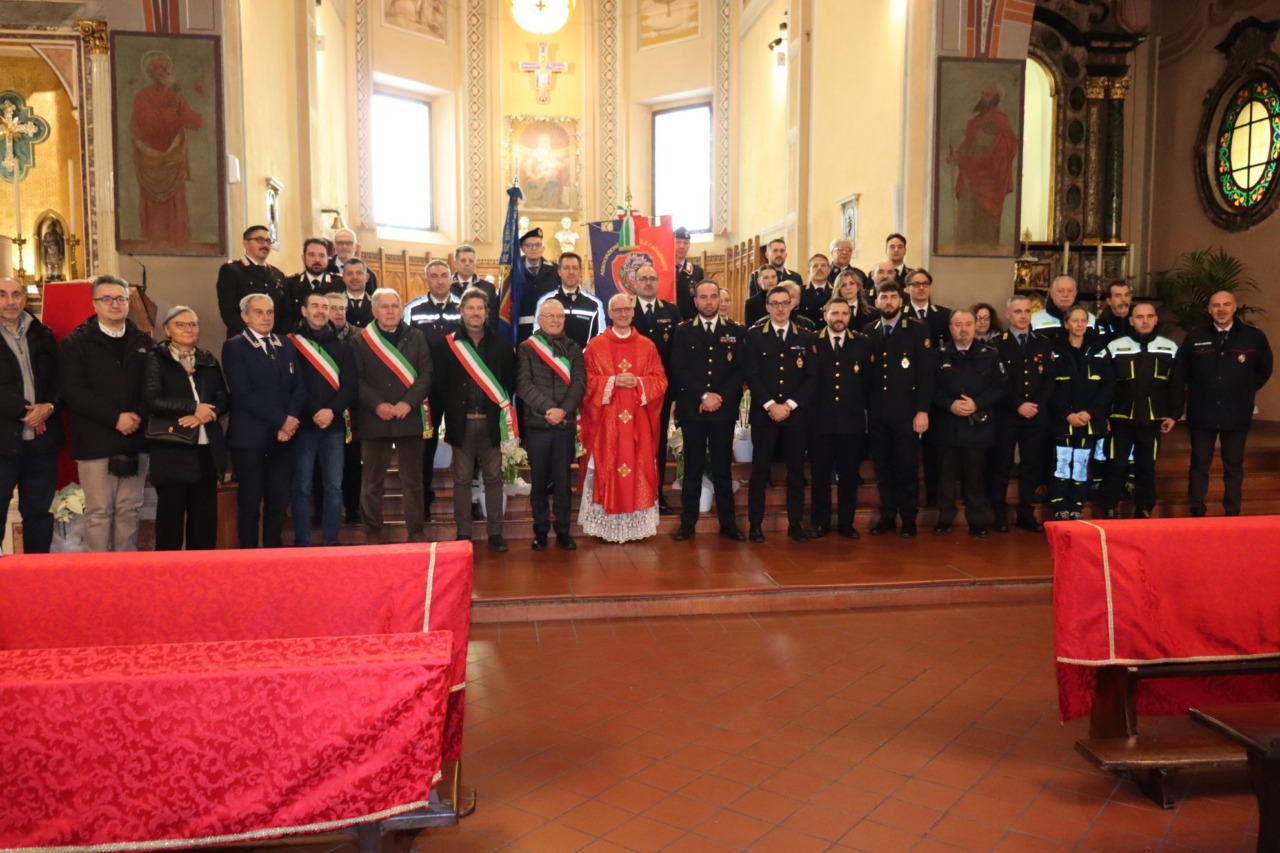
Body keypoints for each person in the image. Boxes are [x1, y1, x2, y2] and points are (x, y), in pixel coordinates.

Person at [59, 275, 152, 552]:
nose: (115, 304)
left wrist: (136, 416)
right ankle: (98, 572)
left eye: (120, 298)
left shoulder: (143, 341)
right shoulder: (77, 342)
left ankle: (125, 571)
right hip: (95, 440)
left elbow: (153, 387)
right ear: (94, 303)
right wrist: (115, 418)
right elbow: (74, 391)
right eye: (107, 299)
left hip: (134, 439)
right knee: (99, 512)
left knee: (129, 510)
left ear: (128, 302)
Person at [1175, 290, 1273, 517]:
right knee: (1199, 465)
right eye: (1216, 305)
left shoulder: (1253, 337)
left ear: (1234, 307)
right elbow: (1182, 372)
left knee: (1234, 467)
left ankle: (1232, 512)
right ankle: (1196, 510)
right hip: (1202, 412)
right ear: (1209, 309)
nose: (1221, 310)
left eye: (1226, 305)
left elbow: (1264, 370)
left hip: (1236, 412)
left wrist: (1244, 390)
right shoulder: (1195, 337)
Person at [579, 294, 668, 542]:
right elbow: (586, 383)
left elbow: (660, 381)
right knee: (607, 465)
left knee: (638, 467)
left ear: (632, 312)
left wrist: (639, 382)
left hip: (638, 422)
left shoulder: (647, 346)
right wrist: (612, 381)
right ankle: (607, 526)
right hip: (606, 424)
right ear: (609, 313)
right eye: (617, 310)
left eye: (626, 309)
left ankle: (634, 524)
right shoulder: (595, 346)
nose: (622, 314)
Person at [221, 293, 304, 548]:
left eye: (270, 312)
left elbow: (299, 387)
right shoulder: (234, 347)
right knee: (249, 504)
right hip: (250, 440)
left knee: (278, 503)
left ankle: (273, 554)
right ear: (245, 316)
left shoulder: (285, 343)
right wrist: (282, 421)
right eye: (258, 312)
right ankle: (248, 557)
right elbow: (243, 394)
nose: (266, 317)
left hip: (284, 439)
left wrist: (290, 421)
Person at [142, 306, 228, 550]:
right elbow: (152, 401)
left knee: (204, 524)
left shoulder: (207, 359)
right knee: (170, 524)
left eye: (193, 324)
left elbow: (223, 399)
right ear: (167, 330)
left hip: (206, 450)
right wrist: (192, 407)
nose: (188, 329)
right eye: (180, 324)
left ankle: (201, 571)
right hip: (172, 450)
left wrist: (204, 416)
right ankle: (169, 572)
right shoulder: (156, 359)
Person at [439, 288, 517, 551]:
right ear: (461, 312)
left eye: (480, 308)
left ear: (486, 312)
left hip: (491, 424)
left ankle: (495, 533)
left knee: (493, 478)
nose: (475, 313)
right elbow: (441, 385)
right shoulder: (448, 345)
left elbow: (509, 383)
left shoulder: (501, 345)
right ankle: (464, 532)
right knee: (461, 479)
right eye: (470, 308)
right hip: (461, 424)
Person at [352, 288, 432, 542]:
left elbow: (426, 375)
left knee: (413, 482)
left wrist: (408, 404)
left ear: (401, 309)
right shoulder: (360, 340)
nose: (390, 311)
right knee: (372, 482)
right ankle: (373, 532)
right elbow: (357, 379)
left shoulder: (416, 336)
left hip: (408, 417)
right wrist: (377, 405)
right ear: (374, 311)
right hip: (374, 419)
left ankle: (415, 532)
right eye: (384, 307)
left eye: (395, 306)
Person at [670, 280, 746, 542]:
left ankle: (729, 524)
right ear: (696, 301)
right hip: (694, 410)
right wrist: (704, 395)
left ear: (720, 300)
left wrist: (718, 397)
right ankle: (688, 524)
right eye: (704, 297)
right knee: (693, 468)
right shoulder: (683, 331)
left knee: (723, 468)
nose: (709, 301)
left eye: (714, 296)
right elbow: (679, 368)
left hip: (723, 410)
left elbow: (740, 370)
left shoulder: (735, 330)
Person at [744, 285, 817, 543]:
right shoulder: (754, 335)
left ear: (792, 304)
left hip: (795, 416)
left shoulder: (805, 336)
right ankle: (755, 524)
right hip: (764, 414)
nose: (780, 308)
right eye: (774, 303)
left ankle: (795, 524)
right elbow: (751, 374)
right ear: (767, 307)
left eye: (785, 303)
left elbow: (811, 377)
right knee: (760, 471)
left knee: (796, 470)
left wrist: (789, 405)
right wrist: (770, 405)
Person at [865, 281, 935, 537]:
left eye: (893, 297)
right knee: (883, 468)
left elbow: (926, 374)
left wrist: (922, 410)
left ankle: (908, 518)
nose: (888, 302)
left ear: (901, 301)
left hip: (907, 413)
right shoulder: (869, 331)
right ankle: (887, 515)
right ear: (876, 302)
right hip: (878, 413)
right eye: (884, 297)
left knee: (906, 467)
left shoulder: (917, 329)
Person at [0, 276, 64, 554]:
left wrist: (48, 407)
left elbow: (61, 381)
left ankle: (36, 575)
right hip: (3, 441)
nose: (10, 301)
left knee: (38, 515)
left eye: (16, 294)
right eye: (2, 295)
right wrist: (27, 412)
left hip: (41, 443)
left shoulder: (43, 334)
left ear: (25, 298)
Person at [1099, 300, 1178, 520]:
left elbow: (1176, 385)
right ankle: (1110, 506)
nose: (1145, 321)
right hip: (1120, 418)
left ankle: (1144, 508)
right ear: (1131, 320)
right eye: (1140, 317)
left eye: (1149, 316)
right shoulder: (1115, 346)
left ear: (1156, 319)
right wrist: (1102, 414)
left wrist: (1174, 414)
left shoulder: (1170, 347)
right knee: (1116, 465)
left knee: (1146, 467)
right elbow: (1104, 384)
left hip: (1152, 419)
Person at [517, 299, 586, 550]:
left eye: (560, 316)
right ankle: (541, 530)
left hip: (564, 425)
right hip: (538, 424)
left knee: (562, 481)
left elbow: (579, 384)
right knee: (538, 482)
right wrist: (550, 409)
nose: (556, 320)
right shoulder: (527, 348)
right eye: (550, 316)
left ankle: (564, 531)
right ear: (540, 319)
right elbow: (524, 385)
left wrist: (563, 410)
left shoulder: (574, 348)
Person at [289, 292, 357, 546]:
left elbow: (349, 386)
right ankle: (302, 541)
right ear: (304, 311)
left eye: (325, 307)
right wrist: (314, 411)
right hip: (303, 425)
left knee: (334, 487)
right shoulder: (291, 345)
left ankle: (331, 540)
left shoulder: (343, 347)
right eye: (315, 306)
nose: (320, 311)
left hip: (334, 425)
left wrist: (331, 411)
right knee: (302, 486)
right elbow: (294, 384)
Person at [932, 309, 1005, 537]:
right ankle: (945, 519)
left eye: (968, 324)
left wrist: (977, 403)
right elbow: (929, 389)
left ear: (975, 326)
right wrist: (949, 404)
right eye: (958, 325)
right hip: (947, 425)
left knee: (975, 478)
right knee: (945, 478)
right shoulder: (938, 355)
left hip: (977, 427)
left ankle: (977, 521)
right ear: (950, 328)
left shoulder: (990, 354)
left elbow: (1000, 387)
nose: (963, 330)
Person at [987, 295, 1053, 533]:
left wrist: (1035, 404)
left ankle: (1026, 512)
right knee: (1001, 465)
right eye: (1017, 311)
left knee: (1031, 465)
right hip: (1007, 414)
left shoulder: (1042, 342)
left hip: (1035, 415)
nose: (1023, 316)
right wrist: (1018, 405)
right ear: (1008, 314)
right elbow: (998, 381)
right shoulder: (997, 344)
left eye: (1026, 311)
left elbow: (1049, 379)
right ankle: (999, 514)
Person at [809, 297, 872, 538]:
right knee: (820, 476)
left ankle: (847, 523)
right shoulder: (812, 341)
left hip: (851, 421)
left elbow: (868, 382)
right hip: (819, 421)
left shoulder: (862, 343)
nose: (839, 318)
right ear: (825, 315)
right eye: (834, 313)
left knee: (848, 476)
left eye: (844, 314)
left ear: (850, 316)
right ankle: (820, 522)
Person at [129, 51, 202, 246]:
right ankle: (154, 242)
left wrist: (182, 112)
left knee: (175, 202)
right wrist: (172, 113)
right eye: (158, 68)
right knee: (153, 206)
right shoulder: (143, 97)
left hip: (173, 159)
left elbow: (194, 122)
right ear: (151, 73)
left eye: (165, 68)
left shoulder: (176, 96)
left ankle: (177, 242)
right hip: (150, 160)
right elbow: (146, 123)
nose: (163, 71)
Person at [1047, 305, 1113, 520]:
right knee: (1062, 463)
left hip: (1088, 421)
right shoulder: (1054, 350)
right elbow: (1050, 386)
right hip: (1062, 421)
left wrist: (1091, 413)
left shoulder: (1099, 350)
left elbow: (1108, 386)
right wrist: (1066, 414)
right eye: (1075, 321)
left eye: (1083, 320)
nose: (1079, 325)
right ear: (1066, 324)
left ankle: (1077, 505)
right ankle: (1059, 506)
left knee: (1081, 465)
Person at [406, 259, 460, 520]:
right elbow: (405, 349)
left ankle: (470, 499)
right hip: (426, 390)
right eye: (434, 276)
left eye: (444, 275)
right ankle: (423, 501)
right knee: (424, 446)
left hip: (458, 388)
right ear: (426, 280)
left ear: (451, 278)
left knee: (464, 443)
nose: (439, 280)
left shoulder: (464, 306)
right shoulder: (413, 309)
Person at [630, 262, 682, 513]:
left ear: (659, 282)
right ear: (634, 283)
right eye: (643, 279)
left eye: (652, 278)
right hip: (630, 391)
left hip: (661, 391)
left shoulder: (672, 311)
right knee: (630, 442)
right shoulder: (625, 309)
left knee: (657, 443)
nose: (648, 283)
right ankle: (631, 492)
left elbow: (678, 353)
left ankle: (657, 493)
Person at [945, 83, 1018, 245]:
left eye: (988, 93)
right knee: (968, 216)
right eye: (983, 93)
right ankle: (965, 249)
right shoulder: (976, 121)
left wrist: (986, 140)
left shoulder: (1000, 119)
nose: (983, 97)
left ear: (995, 98)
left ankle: (987, 249)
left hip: (990, 179)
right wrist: (956, 157)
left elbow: (1008, 145)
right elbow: (967, 144)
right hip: (970, 178)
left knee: (986, 219)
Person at [216, 225, 290, 337]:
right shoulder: (232, 270)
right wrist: (252, 336)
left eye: (268, 241)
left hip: (273, 340)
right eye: (260, 240)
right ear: (245, 243)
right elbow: (229, 312)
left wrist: (278, 337)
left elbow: (286, 312)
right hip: (243, 339)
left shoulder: (277, 275)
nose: (265, 245)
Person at [534, 251, 604, 349]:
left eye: (575, 268)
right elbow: (537, 336)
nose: (571, 272)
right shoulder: (545, 303)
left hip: (583, 358)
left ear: (580, 271)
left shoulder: (594, 305)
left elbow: (599, 339)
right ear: (559, 271)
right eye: (566, 268)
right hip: (552, 357)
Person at [515, 228, 562, 342]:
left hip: (549, 332)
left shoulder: (555, 271)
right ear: (522, 249)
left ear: (543, 248)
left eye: (537, 245)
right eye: (529, 245)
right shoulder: (513, 271)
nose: (534, 248)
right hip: (521, 332)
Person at [286, 237, 342, 320]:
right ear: (303, 258)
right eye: (311, 255)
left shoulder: (339, 283)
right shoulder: (290, 284)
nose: (317, 260)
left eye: (322, 255)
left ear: (327, 259)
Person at [1031, 275, 1096, 341]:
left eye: (1070, 291)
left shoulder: (1091, 320)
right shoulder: (1034, 320)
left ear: (1075, 293)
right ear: (1052, 294)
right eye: (1060, 291)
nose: (1065, 295)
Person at [903, 268, 952, 348]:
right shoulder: (900, 314)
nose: (921, 288)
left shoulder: (944, 314)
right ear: (907, 289)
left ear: (930, 288)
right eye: (916, 284)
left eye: (925, 284)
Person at [328, 228, 379, 292]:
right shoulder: (325, 268)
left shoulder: (367, 273)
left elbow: (371, 297)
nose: (344, 247)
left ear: (356, 246)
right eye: (340, 243)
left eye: (349, 243)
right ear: (334, 245)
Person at [673, 226, 705, 319]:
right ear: (671, 243)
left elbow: (700, 300)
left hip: (688, 321)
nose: (682, 246)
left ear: (689, 245)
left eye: (685, 243)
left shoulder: (697, 272)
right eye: (678, 242)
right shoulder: (663, 270)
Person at [798, 253, 834, 327]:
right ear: (808, 271)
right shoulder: (800, 292)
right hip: (807, 332)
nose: (819, 268)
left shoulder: (836, 291)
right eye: (815, 266)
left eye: (823, 265)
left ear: (829, 270)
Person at [1094, 280, 1133, 345]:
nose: (1123, 299)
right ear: (1109, 301)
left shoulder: (1140, 318)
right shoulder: (1100, 323)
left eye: (1126, 295)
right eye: (1118, 296)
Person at [341, 258, 375, 328]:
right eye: (349, 273)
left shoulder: (376, 303)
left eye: (359, 273)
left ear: (367, 277)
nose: (354, 277)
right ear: (343, 277)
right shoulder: (336, 303)